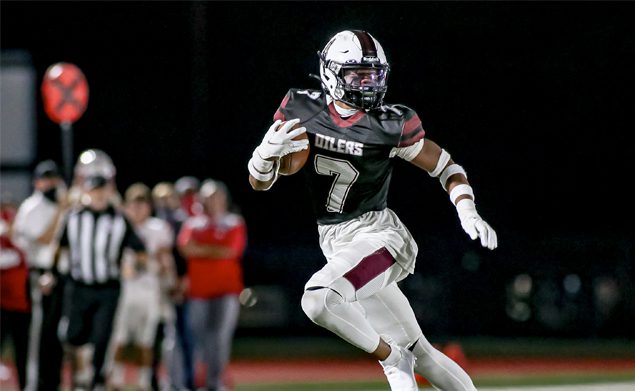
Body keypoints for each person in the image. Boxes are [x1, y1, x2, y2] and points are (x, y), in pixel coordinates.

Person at [247, 30, 497, 391]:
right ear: (331, 73)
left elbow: (446, 167)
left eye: (373, 74)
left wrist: (467, 209)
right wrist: (263, 156)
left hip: (379, 236)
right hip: (335, 240)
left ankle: (389, 356)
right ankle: (397, 359)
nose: (367, 83)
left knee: (318, 299)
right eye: (357, 75)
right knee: (419, 351)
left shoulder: (389, 123)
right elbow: (260, 183)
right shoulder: (302, 107)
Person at [47, 174, 146, 391]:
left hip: (108, 286)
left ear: (109, 192)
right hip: (79, 284)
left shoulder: (119, 219)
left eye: (103, 190)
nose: (99, 195)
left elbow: (140, 250)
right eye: (95, 190)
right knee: (72, 335)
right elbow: (59, 246)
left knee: (102, 335)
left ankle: (96, 379)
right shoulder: (73, 217)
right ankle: (79, 376)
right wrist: (51, 273)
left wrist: (134, 267)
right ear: (87, 193)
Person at [177, 180, 247, 391]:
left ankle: (215, 383)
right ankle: (202, 381)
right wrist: (215, 249)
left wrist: (202, 249)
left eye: (216, 196)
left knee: (219, 338)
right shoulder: (193, 223)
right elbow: (185, 248)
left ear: (224, 198)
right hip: (198, 291)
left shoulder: (234, 221)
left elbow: (232, 251)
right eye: (208, 196)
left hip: (227, 290)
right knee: (200, 340)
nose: (212, 201)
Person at [110, 184, 175, 391]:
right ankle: (116, 380)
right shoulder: (117, 226)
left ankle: (144, 381)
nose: (137, 209)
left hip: (149, 289)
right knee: (118, 339)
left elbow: (165, 260)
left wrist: (168, 281)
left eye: (142, 204)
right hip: (124, 289)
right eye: (133, 204)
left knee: (146, 341)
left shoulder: (158, 228)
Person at [11, 160, 68, 391]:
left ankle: (52, 383)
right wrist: (61, 212)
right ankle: (32, 385)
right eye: (46, 179)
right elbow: (44, 239)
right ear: (37, 182)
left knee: (56, 334)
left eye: (54, 178)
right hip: (37, 274)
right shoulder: (32, 206)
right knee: (37, 334)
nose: (51, 183)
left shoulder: (61, 205)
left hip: (59, 274)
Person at [153, 181, 195, 391]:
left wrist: (182, 279)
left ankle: (185, 381)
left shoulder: (181, 222)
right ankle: (158, 380)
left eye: (167, 197)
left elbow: (183, 254)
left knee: (181, 336)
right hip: (154, 286)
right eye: (160, 199)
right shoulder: (153, 223)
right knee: (156, 337)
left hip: (176, 284)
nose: (164, 203)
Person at [0, 200, 31, 390]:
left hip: (22, 304)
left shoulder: (21, 239)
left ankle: (25, 385)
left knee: (23, 350)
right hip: (2, 303)